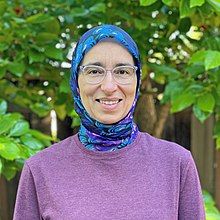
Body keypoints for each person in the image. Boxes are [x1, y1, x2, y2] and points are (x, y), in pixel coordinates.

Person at [13, 24, 205, 220]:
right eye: (94, 71)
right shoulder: (40, 170)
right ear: (76, 81)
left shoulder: (176, 163)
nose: (109, 86)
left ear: (137, 80)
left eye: (122, 71)